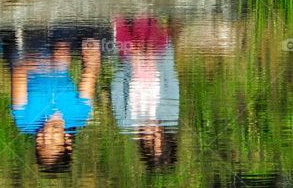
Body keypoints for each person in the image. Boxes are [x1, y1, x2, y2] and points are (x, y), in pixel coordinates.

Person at [11, 38, 101, 172]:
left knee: (59, 53)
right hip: (61, 54)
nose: (46, 137)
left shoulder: (24, 122)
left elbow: (18, 73)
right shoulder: (80, 115)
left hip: (26, 53)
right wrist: (91, 49)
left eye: (40, 145)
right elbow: (90, 72)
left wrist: (44, 63)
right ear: (67, 142)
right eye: (53, 141)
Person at [110, 16, 180, 170]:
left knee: (126, 30)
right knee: (147, 27)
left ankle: (126, 13)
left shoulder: (126, 122)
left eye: (150, 141)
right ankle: (144, 10)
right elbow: (170, 77)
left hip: (128, 58)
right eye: (159, 136)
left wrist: (131, 61)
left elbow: (116, 86)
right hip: (156, 55)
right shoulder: (170, 115)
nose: (153, 133)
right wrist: (157, 55)